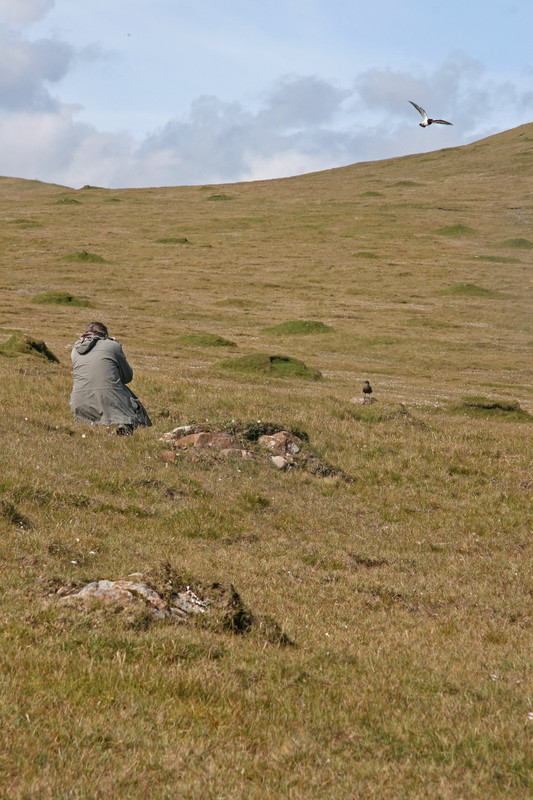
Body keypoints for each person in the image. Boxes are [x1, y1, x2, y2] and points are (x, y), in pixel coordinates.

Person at [70, 321, 151, 435]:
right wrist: (117, 346)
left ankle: (90, 431)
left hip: (79, 403)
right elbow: (127, 377)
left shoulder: (75, 350)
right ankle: (125, 429)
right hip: (106, 398)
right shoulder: (112, 346)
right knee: (132, 404)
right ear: (105, 336)